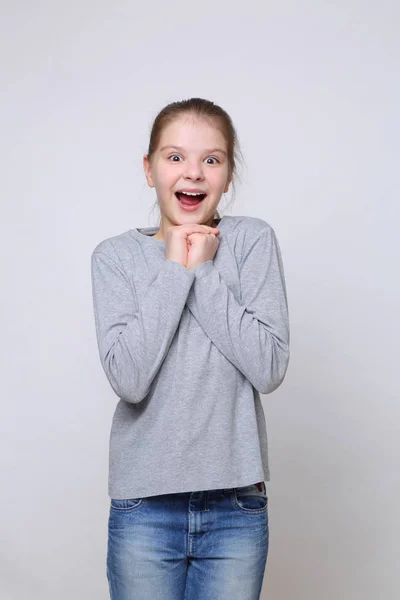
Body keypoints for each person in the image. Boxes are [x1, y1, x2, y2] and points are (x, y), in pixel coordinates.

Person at [90, 97, 290, 600]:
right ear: (150, 168)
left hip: (235, 508)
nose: (193, 173)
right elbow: (129, 380)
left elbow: (268, 367)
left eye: (212, 159)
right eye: (175, 157)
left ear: (228, 173)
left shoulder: (251, 243)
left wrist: (204, 270)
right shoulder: (116, 258)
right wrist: (177, 268)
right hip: (144, 509)